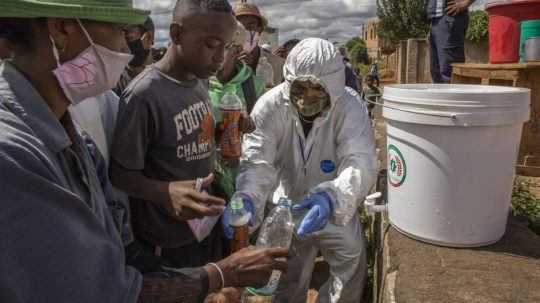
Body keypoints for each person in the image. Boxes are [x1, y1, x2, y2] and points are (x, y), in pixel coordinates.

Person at [0, 0, 288, 302]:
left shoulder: (67, 129)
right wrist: (221, 274)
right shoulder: (13, 157)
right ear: (61, 30)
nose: (125, 49)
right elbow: (106, 289)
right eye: (120, 31)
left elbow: (113, 242)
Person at [225, 38, 378, 303]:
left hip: (332, 206)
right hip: (287, 209)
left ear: (332, 86)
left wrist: (334, 197)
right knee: (288, 277)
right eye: (300, 87)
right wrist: (248, 196)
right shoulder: (270, 105)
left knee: (350, 262)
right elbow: (257, 159)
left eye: (316, 89)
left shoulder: (350, 107)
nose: (306, 97)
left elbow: (359, 160)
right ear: (289, 81)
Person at [110, 0, 255, 269]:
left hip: (202, 227)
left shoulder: (198, 80)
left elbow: (191, 138)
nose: (220, 58)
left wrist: (228, 128)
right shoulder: (144, 95)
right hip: (164, 241)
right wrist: (166, 192)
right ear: (176, 34)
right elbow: (119, 174)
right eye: (211, 45)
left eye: (226, 47)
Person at [427, 0, 475, 83]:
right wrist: (433, 26)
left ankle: (456, 96)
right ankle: (441, 96)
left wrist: (465, 3)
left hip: (450, 16)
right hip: (435, 21)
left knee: (448, 71)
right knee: (436, 72)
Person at [115, 16, 155, 96]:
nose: (123, 46)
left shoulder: (165, 80)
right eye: (120, 38)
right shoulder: (114, 82)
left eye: (129, 38)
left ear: (148, 38)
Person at [233, 2, 266, 72]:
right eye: (239, 28)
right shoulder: (220, 64)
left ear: (260, 29)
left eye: (250, 26)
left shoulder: (278, 64)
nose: (244, 32)